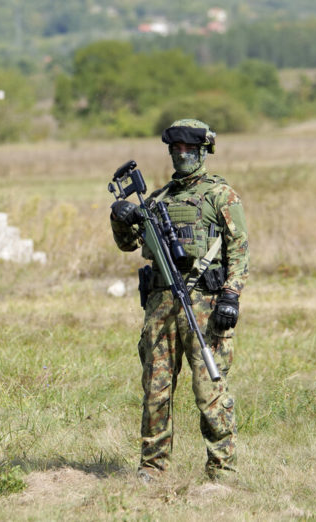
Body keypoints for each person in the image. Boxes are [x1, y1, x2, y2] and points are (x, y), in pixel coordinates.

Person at [109, 118, 249, 482]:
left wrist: (231, 297)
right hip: (161, 307)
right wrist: (121, 218)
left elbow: (240, 251)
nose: (183, 154)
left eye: (190, 148)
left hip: (204, 309)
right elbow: (127, 244)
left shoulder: (222, 196)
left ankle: (222, 470)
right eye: (177, 149)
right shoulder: (158, 200)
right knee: (156, 389)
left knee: (209, 391)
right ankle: (152, 468)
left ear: (204, 151)